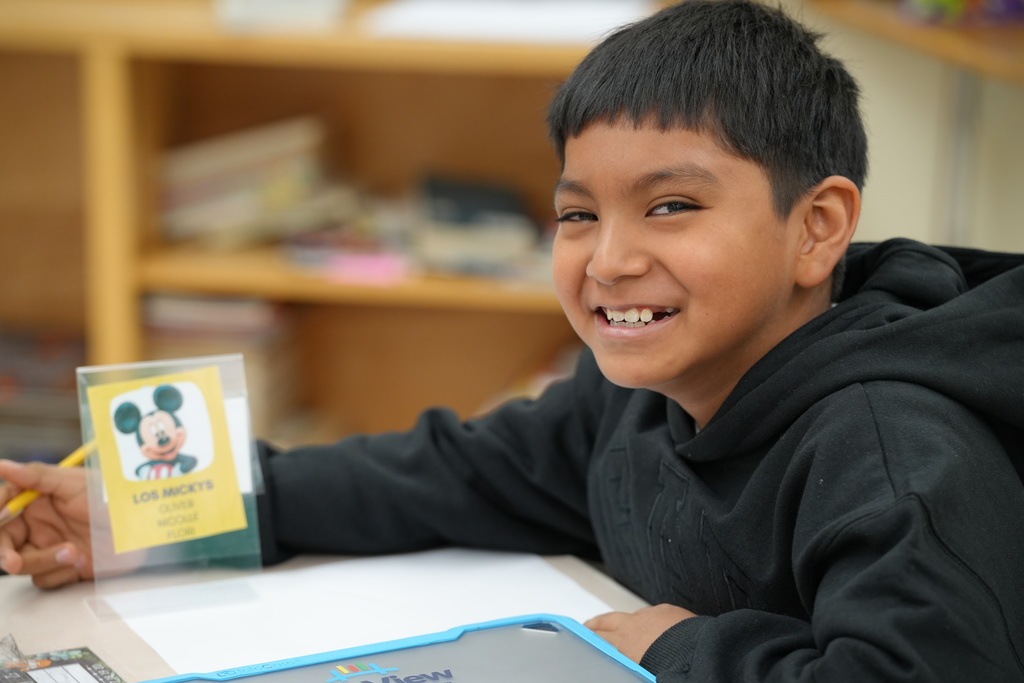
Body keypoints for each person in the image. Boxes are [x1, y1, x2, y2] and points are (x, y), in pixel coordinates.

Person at [3, 0, 1024, 679]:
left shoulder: (889, 447)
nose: (609, 259)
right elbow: (451, 471)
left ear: (818, 227)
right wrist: (154, 515)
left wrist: (688, 648)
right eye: (578, 215)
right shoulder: (637, 393)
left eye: (669, 206)